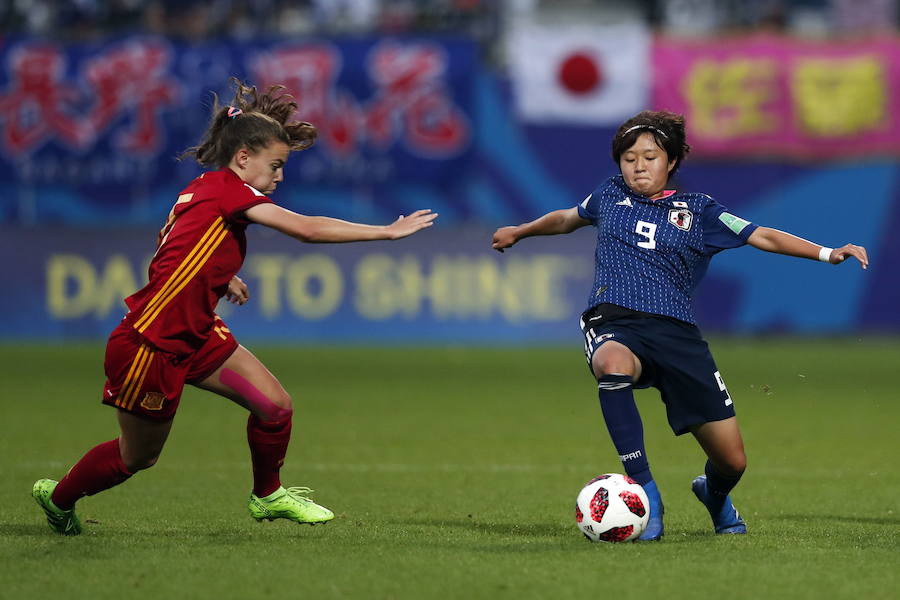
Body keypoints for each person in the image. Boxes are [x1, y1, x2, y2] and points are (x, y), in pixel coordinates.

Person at [33, 80, 438, 535]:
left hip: (198, 334)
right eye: (276, 165)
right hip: (151, 345)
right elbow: (305, 229)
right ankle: (59, 497)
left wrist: (219, 276)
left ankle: (267, 496)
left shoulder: (203, 190)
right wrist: (385, 232)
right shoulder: (229, 192)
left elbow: (164, 249)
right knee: (138, 456)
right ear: (244, 157)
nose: (280, 177)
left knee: (275, 407)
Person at [491, 110, 868, 541]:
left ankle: (715, 494)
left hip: (677, 335)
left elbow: (761, 235)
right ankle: (646, 493)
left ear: (670, 161)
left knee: (733, 460)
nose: (638, 165)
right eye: (629, 157)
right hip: (614, 318)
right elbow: (566, 218)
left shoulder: (699, 211)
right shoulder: (609, 195)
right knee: (612, 364)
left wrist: (827, 253)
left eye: (649, 156)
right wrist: (521, 231)